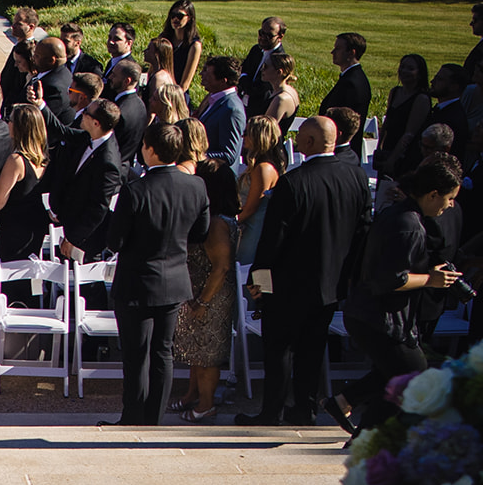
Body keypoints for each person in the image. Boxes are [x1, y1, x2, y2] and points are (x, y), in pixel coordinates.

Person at [237, 117, 368, 426]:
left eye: (300, 138)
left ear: (308, 143)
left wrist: (259, 281)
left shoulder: (294, 182)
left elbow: (273, 241)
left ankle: (273, 411)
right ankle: (304, 409)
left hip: (288, 284)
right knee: (312, 349)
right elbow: (362, 231)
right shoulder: (356, 178)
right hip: (330, 284)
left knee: (279, 350)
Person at [333, 157, 463, 432]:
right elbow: (390, 280)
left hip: (370, 313)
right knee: (414, 376)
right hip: (380, 318)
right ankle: (365, 433)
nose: (450, 205)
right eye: (449, 198)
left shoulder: (400, 214)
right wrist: (431, 279)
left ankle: (344, 403)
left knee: (396, 372)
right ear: (433, 194)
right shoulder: (409, 224)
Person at [106, 123, 210, 426]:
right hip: (174, 278)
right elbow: (200, 233)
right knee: (162, 351)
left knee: (137, 354)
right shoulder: (196, 186)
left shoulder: (136, 189)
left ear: (150, 150)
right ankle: (153, 417)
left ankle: (133, 416)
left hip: (137, 280)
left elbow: (116, 241)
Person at [170, 154, 240, 421]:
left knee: (208, 353)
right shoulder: (216, 218)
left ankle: (206, 404)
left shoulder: (217, 224)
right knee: (196, 350)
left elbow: (221, 267)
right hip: (201, 292)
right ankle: (192, 395)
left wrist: (203, 302)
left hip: (211, 296)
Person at [39, 100, 124, 263]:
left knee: (87, 285)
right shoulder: (88, 137)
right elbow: (62, 131)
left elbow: (97, 208)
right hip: (69, 221)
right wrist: (41, 105)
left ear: (96, 123)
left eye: (86, 112)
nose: (82, 114)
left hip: (87, 237)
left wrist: (73, 239)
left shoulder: (108, 161)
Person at [0, 103, 50, 264]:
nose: (8, 123)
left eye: (11, 120)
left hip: (14, 228)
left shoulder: (16, 161)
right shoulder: (43, 158)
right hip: (35, 224)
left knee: (7, 278)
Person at [374, 55, 432, 185]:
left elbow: (409, 133)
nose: (404, 71)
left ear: (420, 74)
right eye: (402, 67)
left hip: (405, 155)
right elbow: (387, 122)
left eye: (410, 68)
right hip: (388, 150)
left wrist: (392, 160)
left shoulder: (421, 99)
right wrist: (379, 148)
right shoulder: (395, 92)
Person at [235, 115, 284, 265]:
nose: (244, 136)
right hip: (248, 226)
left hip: (253, 230)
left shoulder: (264, 169)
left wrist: (230, 223)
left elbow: (251, 207)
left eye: (248, 133)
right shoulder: (260, 166)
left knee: (244, 269)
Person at [320, 32, 371, 154]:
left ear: (351, 53)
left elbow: (345, 121)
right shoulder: (351, 78)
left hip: (342, 150)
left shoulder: (352, 83)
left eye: (338, 49)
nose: (333, 52)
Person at [197, 56, 245, 169]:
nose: (201, 75)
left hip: (217, 179)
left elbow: (229, 155)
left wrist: (195, 157)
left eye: (208, 74)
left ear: (223, 81)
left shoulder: (232, 109)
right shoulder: (213, 100)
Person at [238, 17, 286, 117]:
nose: (263, 38)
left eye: (269, 35)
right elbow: (243, 69)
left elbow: (261, 88)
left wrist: (244, 80)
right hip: (243, 104)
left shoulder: (278, 59)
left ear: (280, 36)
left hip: (260, 109)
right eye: (261, 33)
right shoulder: (256, 50)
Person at [106, 59, 148, 165]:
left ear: (127, 81)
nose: (110, 77)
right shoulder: (140, 105)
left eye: (114, 75)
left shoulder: (119, 111)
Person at [160, 0, 202, 95]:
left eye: (180, 16)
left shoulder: (194, 46)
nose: (175, 19)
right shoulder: (164, 38)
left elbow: (184, 85)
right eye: (172, 15)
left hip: (177, 95)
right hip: (158, 89)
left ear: (190, 18)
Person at [261, 52, 300, 127]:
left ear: (279, 72)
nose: (262, 69)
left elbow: (265, 129)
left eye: (265, 66)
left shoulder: (281, 99)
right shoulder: (289, 90)